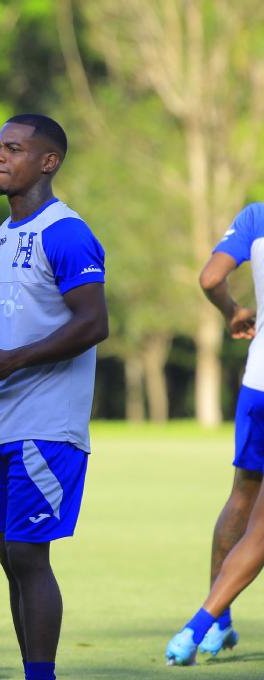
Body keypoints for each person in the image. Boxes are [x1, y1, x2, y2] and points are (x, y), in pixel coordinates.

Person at [0, 114, 108, 680]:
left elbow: (93, 323)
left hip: (48, 424)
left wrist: (12, 362)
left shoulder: (65, 232)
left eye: (14, 149)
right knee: (6, 555)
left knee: (26, 553)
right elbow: (2, 324)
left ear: (49, 162)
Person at [164, 202, 264, 666]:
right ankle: (199, 626)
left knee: (243, 496)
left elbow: (209, 278)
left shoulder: (257, 215)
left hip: (257, 384)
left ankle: (218, 624)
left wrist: (232, 311)